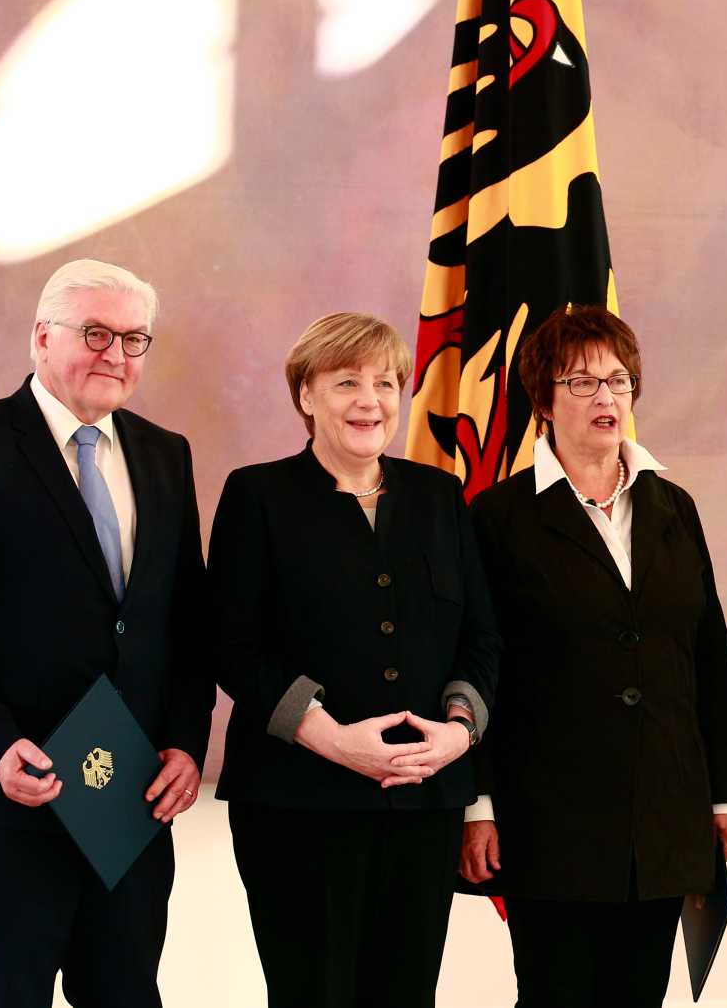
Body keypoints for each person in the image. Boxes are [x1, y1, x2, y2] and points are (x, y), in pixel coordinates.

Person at [0, 259, 215, 1008]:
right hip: (5, 796)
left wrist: (185, 740)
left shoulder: (165, 454)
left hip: (128, 795)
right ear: (42, 336)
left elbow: (187, 620)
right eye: (95, 333)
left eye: (134, 339)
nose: (116, 354)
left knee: (127, 994)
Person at [207, 311, 500, 1007]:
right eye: (346, 382)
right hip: (295, 804)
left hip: (424, 801)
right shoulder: (257, 495)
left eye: (385, 383)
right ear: (305, 396)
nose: (370, 401)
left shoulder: (439, 496)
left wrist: (458, 733)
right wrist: (333, 739)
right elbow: (232, 646)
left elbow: (482, 638)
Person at [459, 305, 727, 1007]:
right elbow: (477, 666)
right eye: (581, 382)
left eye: (618, 381)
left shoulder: (674, 506)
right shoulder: (497, 517)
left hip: (665, 812)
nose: (606, 397)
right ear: (543, 401)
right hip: (548, 818)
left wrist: (724, 794)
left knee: (640, 994)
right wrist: (477, 804)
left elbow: (708, 657)